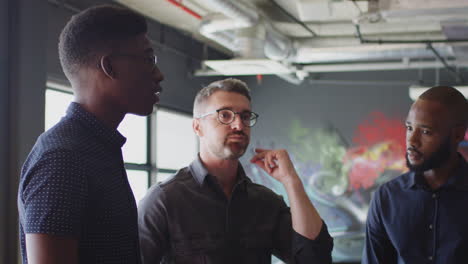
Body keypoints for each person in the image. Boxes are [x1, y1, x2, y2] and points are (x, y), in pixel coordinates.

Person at [17, 5, 164, 264]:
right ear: (109, 66)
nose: (158, 75)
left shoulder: (98, 147)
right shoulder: (62, 158)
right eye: (148, 59)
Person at [138, 78, 333, 264]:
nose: (239, 125)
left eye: (245, 116)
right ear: (198, 127)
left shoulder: (265, 202)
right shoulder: (164, 200)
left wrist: (292, 182)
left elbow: (314, 257)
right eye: (225, 115)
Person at [362, 86, 468, 263]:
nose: (412, 140)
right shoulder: (387, 198)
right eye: (409, 128)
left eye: (426, 132)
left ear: (457, 135)